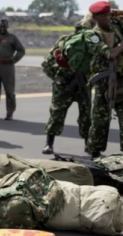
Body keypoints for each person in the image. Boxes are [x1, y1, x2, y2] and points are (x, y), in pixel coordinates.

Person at [41, 14, 95, 154]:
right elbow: (47, 63)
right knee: (57, 114)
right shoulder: (64, 41)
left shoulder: (93, 45)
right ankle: (49, 143)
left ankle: (88, 145)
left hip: (82, 84)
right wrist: (60, 78)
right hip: (65, 85)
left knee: (86, 116)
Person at [85, 1, 123, 158]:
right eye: (103, 16)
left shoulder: (116, 27)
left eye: (108, 15)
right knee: (100, 119)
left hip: (120, 79)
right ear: (95, 18)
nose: (107, 19)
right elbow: (111, 54)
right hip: (103, 82)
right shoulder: (92, 35)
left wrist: (118, 12)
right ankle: (94, 152)